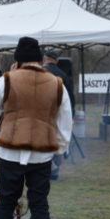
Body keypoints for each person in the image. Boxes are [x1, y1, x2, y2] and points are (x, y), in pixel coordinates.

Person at [0, 37, 72, 219]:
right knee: (40, 206)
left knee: (5, 203)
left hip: (10, 150)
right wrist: (59, 150)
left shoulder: (9, 79)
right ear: (40, 59)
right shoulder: (56, 83)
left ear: (18, 60)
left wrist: (8, 95)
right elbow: (65, 121)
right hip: (41, 154)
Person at [43, 51, 75, 180]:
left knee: (45, 141)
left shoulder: (40, 73)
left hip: (44, 113)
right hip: (60, 112)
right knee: (57, 139)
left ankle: (50, 167)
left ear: (44, 59)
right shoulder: (63, 75)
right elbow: (70, 98)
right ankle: (55, 168)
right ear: (56, 61)